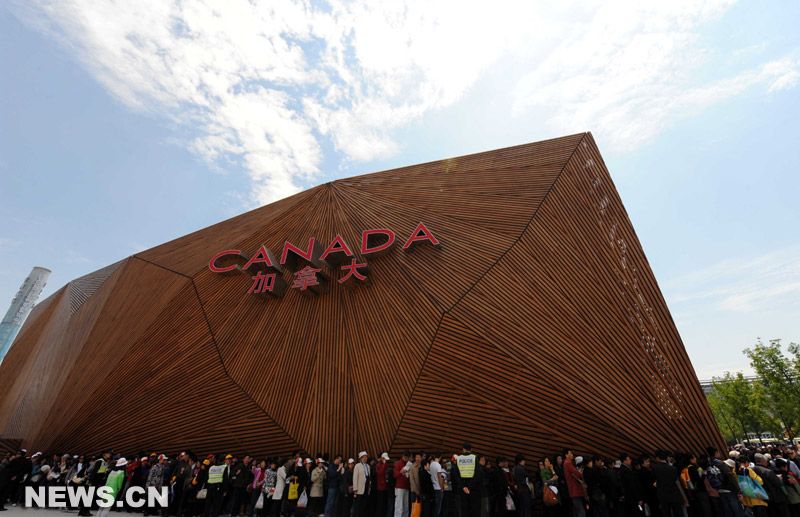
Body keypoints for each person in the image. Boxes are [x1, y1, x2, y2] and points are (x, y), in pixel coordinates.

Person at [650, 451, 684, 517]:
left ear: (657, 458)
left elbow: (654, 479)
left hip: (663, 495)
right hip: (674, 494)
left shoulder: (655, 468)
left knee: (666, 513)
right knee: (679, 513)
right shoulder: (673, 469)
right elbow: (675, 480)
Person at [564, 450, 587, 517]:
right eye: (570, 453)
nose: (572, 454)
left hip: (574, 490)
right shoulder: (568, 463)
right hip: (575, 489)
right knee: (581, 512)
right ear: (566, 455)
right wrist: (580, 473)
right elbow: (577, 474)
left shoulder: (567, 463)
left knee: (577, 511)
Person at [458, 443, 477, 517]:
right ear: (471, 449)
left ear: (463, 449)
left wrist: (463, 487)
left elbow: (455, 475)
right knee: (473, 509)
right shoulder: (475, 458)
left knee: (464, 509)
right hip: (473, 488)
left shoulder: (459, 459)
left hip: (463, 486)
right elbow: (478, 474)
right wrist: (470, 487)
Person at [353, 452, 371, 517]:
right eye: (363, 457)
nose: (365, 458)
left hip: (366, 487)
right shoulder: (357, 466)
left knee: (364, 504)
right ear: (360, 458)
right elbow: (355, 477)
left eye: (366, 457)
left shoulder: (368, 466)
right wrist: (355, 488)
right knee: (358, 505)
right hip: (359, 488)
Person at [395, 451, 412, 517]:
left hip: (406, 486)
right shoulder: (398, 463)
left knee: (406, 506)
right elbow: (395, 475)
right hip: (400, 487)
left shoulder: (409, 464)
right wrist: (401, 472)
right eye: (405, 457)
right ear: (403, 456)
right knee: (399, 506)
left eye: (408, 458)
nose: (406, 459)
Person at [377, 453, 390, 517]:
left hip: (385, 486)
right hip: (380, 487)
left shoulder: (386, 465)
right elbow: (379, 473)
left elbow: (388, 471)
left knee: (385, 503)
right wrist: (384, 465)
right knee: (380, 504)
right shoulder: (378, 465)